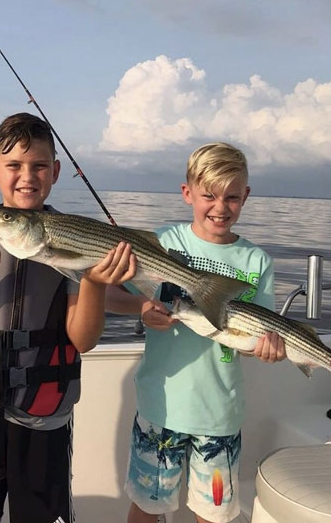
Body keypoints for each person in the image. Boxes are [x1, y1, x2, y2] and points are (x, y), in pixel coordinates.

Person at [0, 112, 136, 523]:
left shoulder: (74, 235)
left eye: (39, 165)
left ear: (56, 172)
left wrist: (95, 282)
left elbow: (83, 340)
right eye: (13, 165)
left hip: (45, 419)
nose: (27, 176)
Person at [107, 142, 286, 523]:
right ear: (187, 193)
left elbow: (258, 335)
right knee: (146, 509)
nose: (220, 208)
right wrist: (141, 308)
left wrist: (268, 348)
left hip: (220, 414)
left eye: (232, 197)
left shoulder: (257, 261)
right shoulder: (164, 243)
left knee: (213, 515)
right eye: (209, 195)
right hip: (161, 406)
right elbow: (110, 295)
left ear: (246, 197)